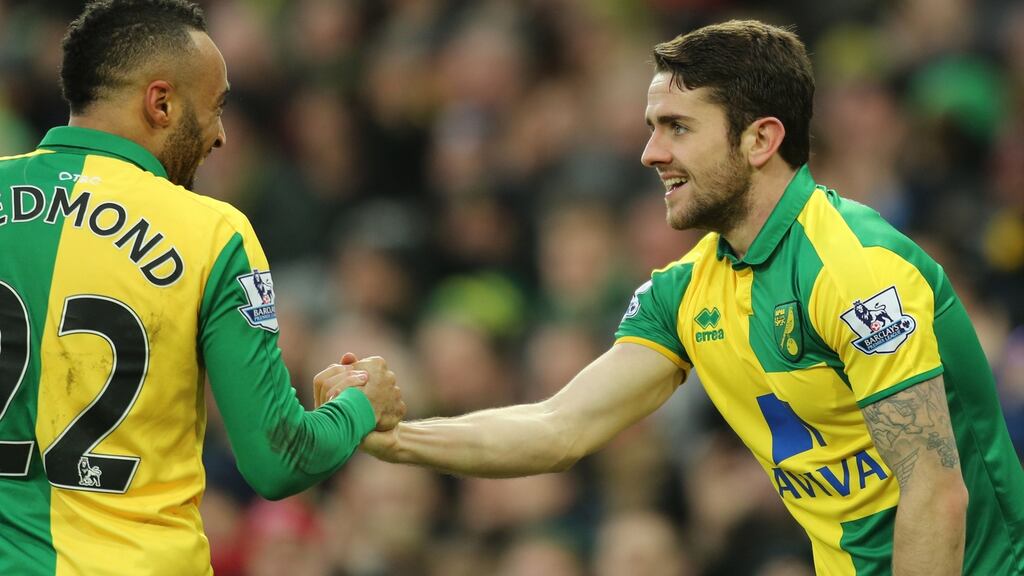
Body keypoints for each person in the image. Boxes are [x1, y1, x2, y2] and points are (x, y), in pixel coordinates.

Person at [358, 20, 1024, 575]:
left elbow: (934, 490)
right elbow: (558, 428)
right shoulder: (685, 291)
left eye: (677, 127)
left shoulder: (853, 268)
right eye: (652, 127)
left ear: (761, 139)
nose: (650, 152)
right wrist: (395, 439)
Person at [0, 1, 404, 575]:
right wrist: (361, 404)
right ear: (160, 103)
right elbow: (279, 459)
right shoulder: (213, 233)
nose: (220, 135)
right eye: (215, 108)